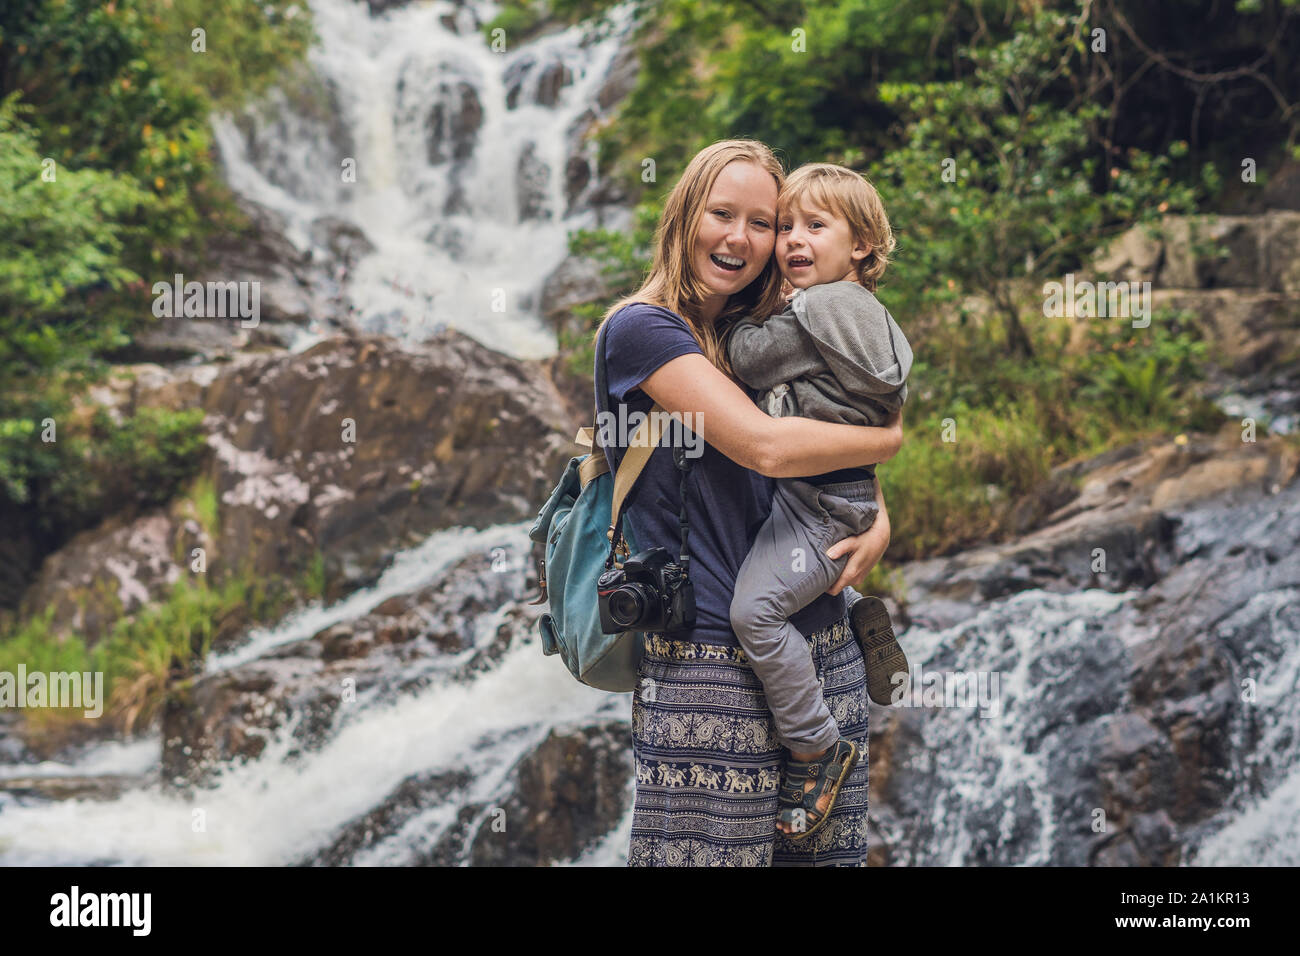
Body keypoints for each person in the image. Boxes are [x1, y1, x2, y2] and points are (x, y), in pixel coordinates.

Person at [597, 140, 901, 866]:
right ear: (683, 215)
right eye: (721, 213)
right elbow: (765, 446)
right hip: (706, 662)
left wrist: (877, 510)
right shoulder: (643, 332)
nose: (740, 237)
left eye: (762, 222)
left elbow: (836, 425)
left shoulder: (767, 330)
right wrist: (889, 444)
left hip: (824, 651)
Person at [725, 163, 912, 839]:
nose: (791, 241)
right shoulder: (871, 316)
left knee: (755, 610)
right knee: (775, 560)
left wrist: (749, 308)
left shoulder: (809, 316)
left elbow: (746, 360)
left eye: (815, 226)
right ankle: (856, 608)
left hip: (819, 509)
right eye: (788, 227)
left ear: (860, 244)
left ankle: (816, 744)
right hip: (841, 496)